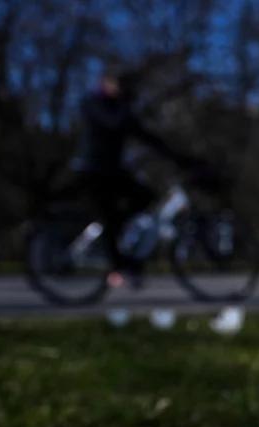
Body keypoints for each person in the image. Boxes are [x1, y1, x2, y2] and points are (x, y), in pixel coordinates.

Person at [71, 69, 187, 285]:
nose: (120, 89)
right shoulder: (94, 103)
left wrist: (178, 157)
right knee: (110, 215)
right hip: (92, 170)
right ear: (105, 83)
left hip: (112, 171)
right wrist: (126, 107)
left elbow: (146, 137)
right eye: (116, 84)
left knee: (144, 197)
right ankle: (118, 263)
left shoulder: (120, 109)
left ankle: (123, 253)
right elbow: (114, 122)